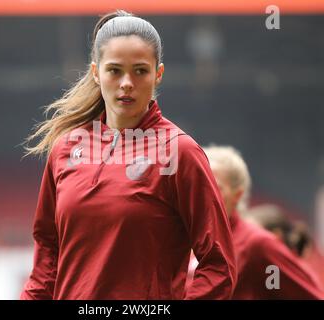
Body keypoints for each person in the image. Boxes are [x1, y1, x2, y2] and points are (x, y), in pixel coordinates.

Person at [20, 10, 236, 300]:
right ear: (96, 72)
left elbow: (219, 265)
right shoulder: (65, 149)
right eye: (114, 70)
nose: (126, 83)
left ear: (158, 74)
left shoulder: (180, 153)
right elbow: (48, 251)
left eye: (140, 70)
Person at [187, 145, 324, 299]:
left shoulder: (256, 244)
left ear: (237, 195)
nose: (204, 193)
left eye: (216, 187)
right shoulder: (194, 241)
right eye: (199, 184)